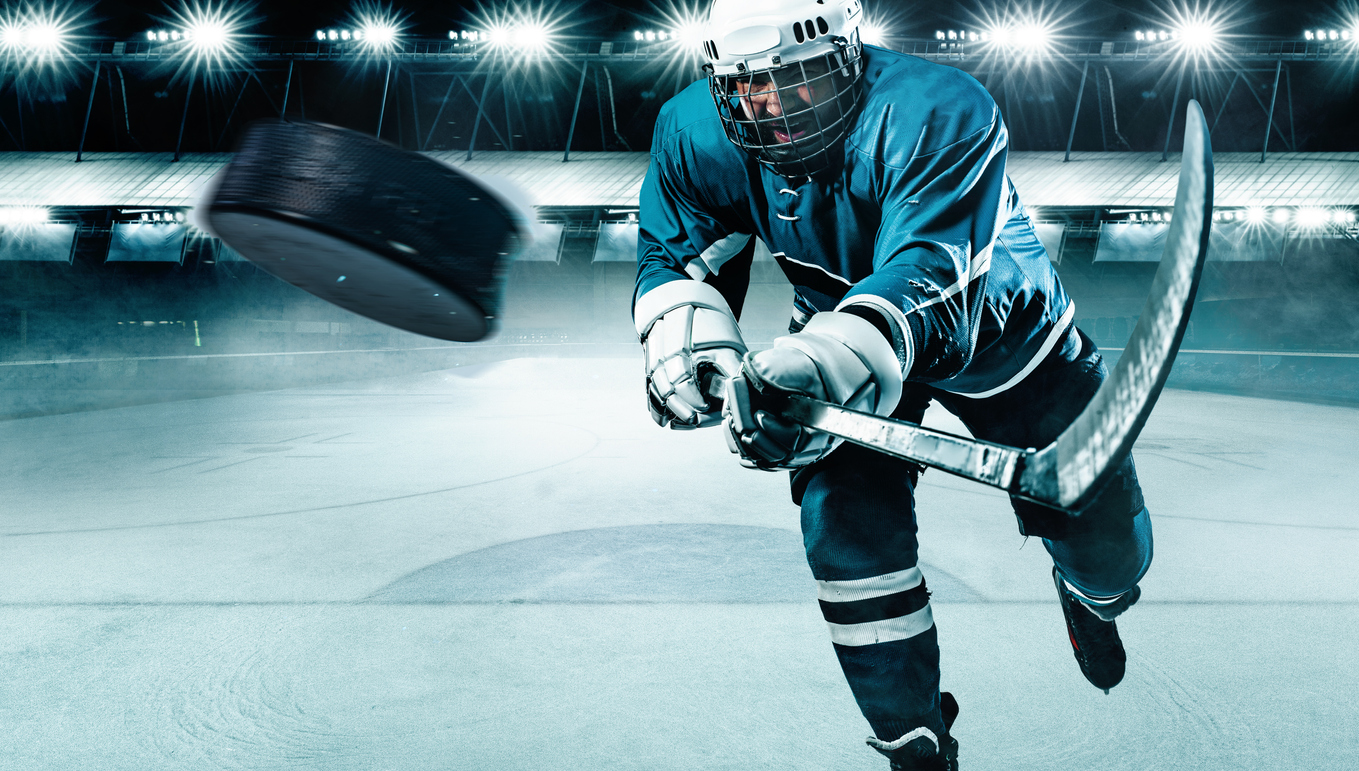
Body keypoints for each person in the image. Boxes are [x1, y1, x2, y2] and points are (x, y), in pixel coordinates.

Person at [631, 1, 1152, 768]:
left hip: (1003, 338)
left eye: (796, 81)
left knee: (1106, 553)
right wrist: (691, 347)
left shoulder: (939, 109)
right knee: (846, 539)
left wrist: (817, 363)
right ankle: (910, 736)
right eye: (747, 89)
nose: (771, 112)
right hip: (843, 338)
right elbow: (676, 256)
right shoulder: (693, 126)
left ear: (848, 55)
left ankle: (1094, 596)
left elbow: (930, 273)